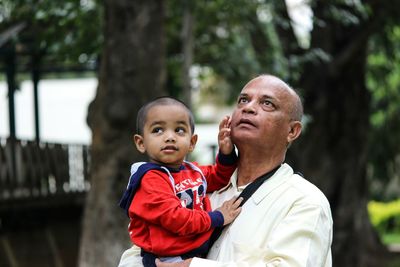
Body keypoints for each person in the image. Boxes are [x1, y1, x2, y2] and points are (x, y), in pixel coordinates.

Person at [118, 74, 333, 267]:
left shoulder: (305, 201)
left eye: (267, 103)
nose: (248, 108)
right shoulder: (195, 185)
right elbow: (139, 251)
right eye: (243, 100)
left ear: (292, 131)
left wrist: (193, 266)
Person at [118, 97, 243, 267]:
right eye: (158, 130)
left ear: (192, 142)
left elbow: (218, 177)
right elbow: (176, 218)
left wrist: (226, 152)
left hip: (192, 251)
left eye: (179, 130)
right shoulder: (150, 180)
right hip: (167, 258)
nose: (170, 137)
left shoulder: (192, 171)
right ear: (141, 143)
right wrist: (218, 217)